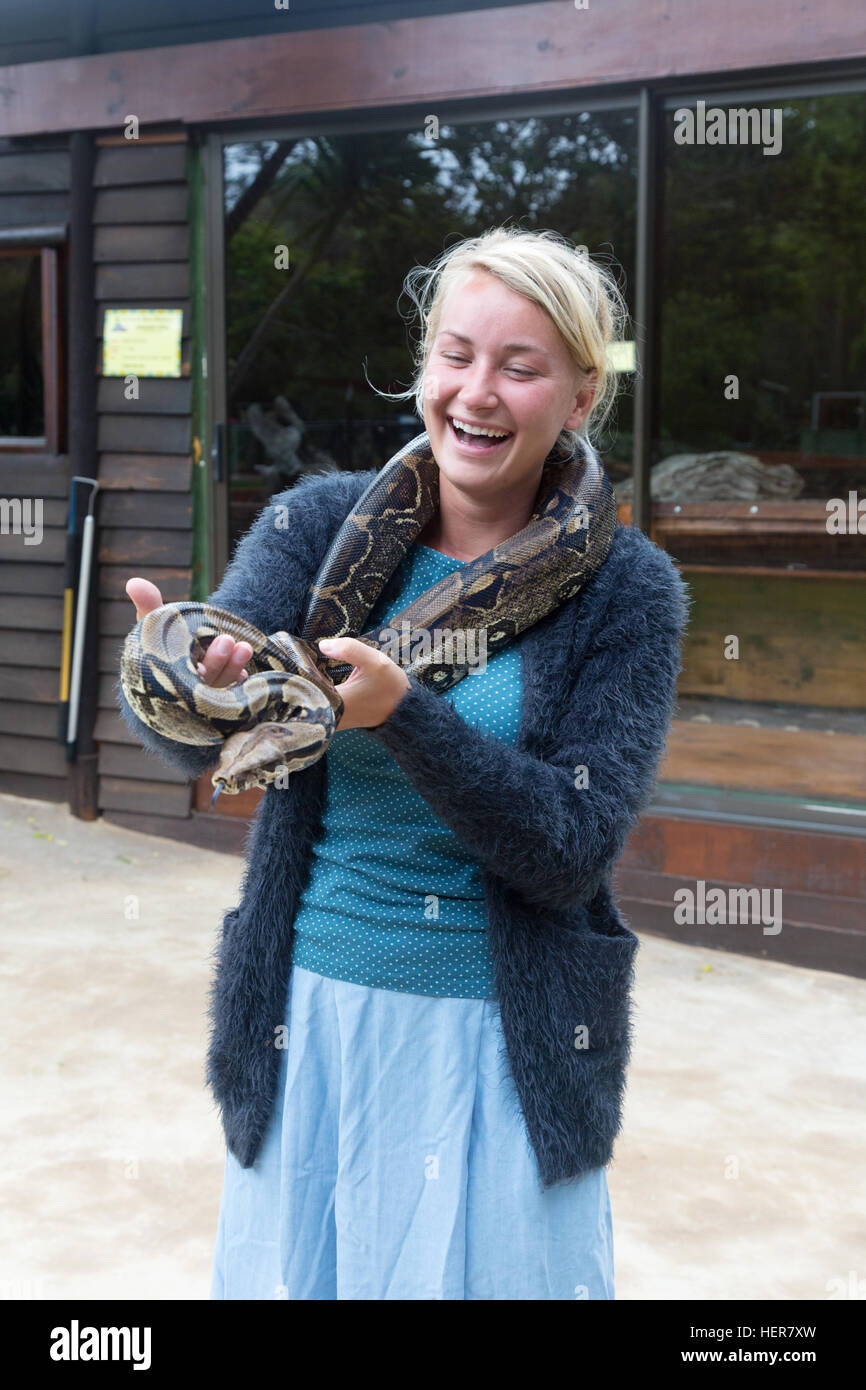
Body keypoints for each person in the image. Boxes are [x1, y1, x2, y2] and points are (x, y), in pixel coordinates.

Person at [120, 226, 689, 1300]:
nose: (477, 391)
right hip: (311, 1020)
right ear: (422, 368)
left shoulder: (626, 589)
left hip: (502, 1048)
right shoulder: (318, 518)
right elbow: (202, 738)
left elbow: (568, 849)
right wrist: (179, 672)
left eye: (520, 367)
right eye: (456, 355)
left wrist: (401, 713)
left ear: (577, 397)